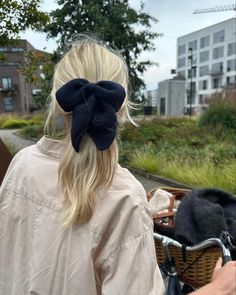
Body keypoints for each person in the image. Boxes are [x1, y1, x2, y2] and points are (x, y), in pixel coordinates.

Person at [0, 36, 235, 295]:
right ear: (121, 106)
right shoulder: (125, 198)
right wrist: (220, 288)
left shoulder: (21, 165)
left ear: (59, 102)